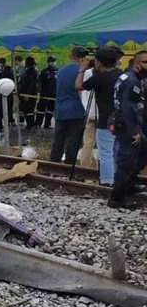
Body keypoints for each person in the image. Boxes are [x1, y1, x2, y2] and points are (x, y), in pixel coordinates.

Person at [109, 50, 147, 209]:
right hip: (127, 127)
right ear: (138, 65)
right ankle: (117, 199)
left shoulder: (125, 76)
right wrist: (134, 132)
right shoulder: (133, 82)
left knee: (142, 153)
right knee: (126, 163)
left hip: (124, 124)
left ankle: (129, 184)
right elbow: (128, 107)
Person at [80, 48, 123, 185]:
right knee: (118, 151)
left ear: (98, 62)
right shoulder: (121, 75)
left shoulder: (98, 77)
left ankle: (106, 181)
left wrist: (82, 70)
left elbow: (78, 86)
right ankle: (118, 178)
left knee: (104, 152)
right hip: (121, 119)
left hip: (104, 119)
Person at [50, 47, 87, 164]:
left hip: (61, 108)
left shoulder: (61, 71)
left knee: (59, 139)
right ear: (83, 58)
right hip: (77, 109)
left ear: (71, 56)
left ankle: (54, 162)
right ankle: (69, 164)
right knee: (74, 139)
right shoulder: (83, 72)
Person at [17, 56, 39, 129]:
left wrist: (27, 94)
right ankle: (28, 124)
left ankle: (30, 124)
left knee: (29, 110)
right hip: (25, 93)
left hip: (30, 94)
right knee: (25, 109)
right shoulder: (28, 72)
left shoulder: (32, 72)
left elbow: (32, 84)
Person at [37, 56, 58, 129]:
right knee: (41, 110)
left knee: (50, 110)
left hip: (53, 94)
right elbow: (39, 82)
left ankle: (47, 124)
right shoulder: (43, 72)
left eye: (54, 61)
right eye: (52, 61)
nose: (53, 63)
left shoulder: (57, 71)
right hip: (44, 94)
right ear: (48, 62)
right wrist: (39, 91)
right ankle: (38, 123)